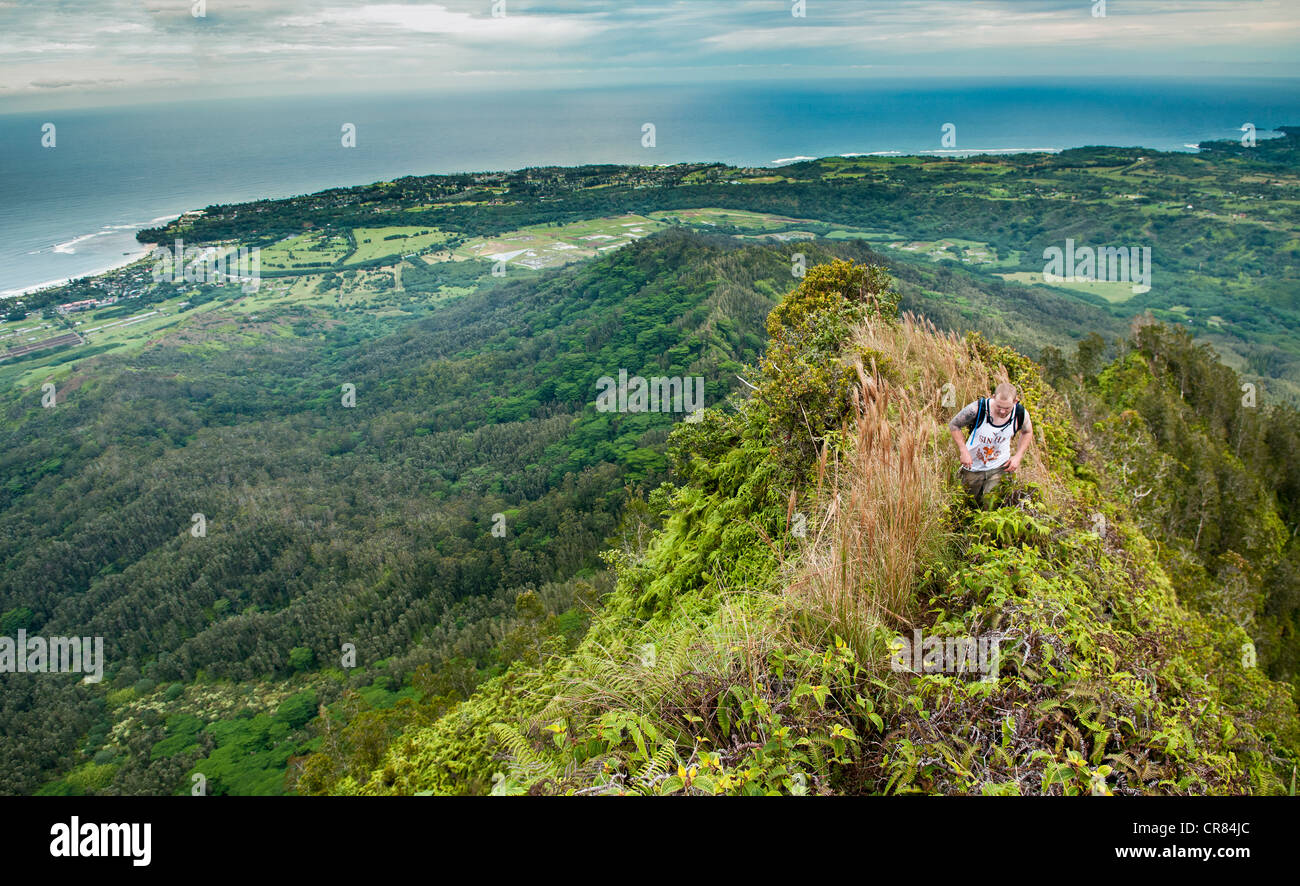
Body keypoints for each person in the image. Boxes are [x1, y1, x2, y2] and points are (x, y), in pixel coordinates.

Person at [947, 382, 1033, 508]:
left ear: (1015, 401)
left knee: (991, 505)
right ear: (993, 397)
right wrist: (963, 451)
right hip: (973, 466)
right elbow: (954, 425)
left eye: (1007, 408)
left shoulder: (1020, 414)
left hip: (1000, 466)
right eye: (999, 406)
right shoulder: (978, 408)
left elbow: (1027, 431)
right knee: (967, 505)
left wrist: (1018, 456)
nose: (1003, 411)